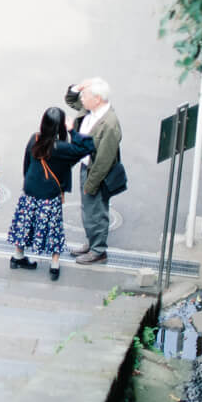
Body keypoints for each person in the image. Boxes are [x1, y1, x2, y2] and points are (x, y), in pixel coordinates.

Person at [8, 107, 95, 281]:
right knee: (53, 228)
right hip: (49, 194)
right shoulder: (62, 148)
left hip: (31, 190)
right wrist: (72, 130)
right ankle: (54, 265)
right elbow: (88, 147)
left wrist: (29, 182)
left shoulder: (35, 138)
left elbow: (26, 164)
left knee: (26, 223)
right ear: (60, 127)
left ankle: (18, 257)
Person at [66, 77, 122, 264]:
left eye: (85, 95)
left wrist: (90, 184)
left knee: (96, 212)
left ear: (97, 98)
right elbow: (70, 99)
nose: (81, 98)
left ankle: (98, 250)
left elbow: (103, 162)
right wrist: (79, 87)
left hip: (95, 174)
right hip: (86, 166)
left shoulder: (109, 124)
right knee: (88, 210)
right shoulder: (91, 110)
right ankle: (92, 244)